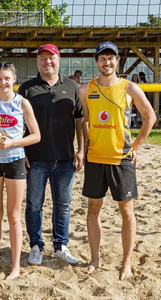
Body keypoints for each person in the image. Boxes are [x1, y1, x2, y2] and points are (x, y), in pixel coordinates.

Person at [78, 41, 156, 281]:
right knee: (93, 210)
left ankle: (126, 263)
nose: (107, 62)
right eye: (102, 58)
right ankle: (95, 260)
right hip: (95, 158)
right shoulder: (85, 89)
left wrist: (136, 147)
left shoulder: (129, 88)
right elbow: (84, 122)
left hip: (121, 158)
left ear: (117, 60)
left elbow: (150, 117)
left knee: (126, 211)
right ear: (97, 62)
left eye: (111, 58)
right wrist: (82, 150)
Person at [18, 44, 84, 267]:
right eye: (43, 58)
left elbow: (79, 121)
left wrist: (81, 150)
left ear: (59, 59)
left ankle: (60, 246)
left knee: (63, 205)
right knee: (34, 204)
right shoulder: (27, 88)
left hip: (65, 157)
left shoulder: (72, 87)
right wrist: (22, 152)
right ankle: (36, 246)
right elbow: (19, 125)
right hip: (36, 157)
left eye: (51, 58)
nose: (47, 62)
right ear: (38, 61)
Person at [0, 62, 40, 280]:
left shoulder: (23, 103)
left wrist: (13, 143)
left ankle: (15, 266)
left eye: (7, 78)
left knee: (14, 216)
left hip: (15, 161)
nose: (3, 82)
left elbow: (36, 135)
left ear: (14, 79)